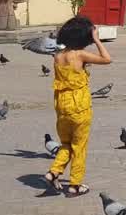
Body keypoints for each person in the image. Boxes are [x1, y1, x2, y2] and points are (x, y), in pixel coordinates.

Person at [45, 16, 111, 196]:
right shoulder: (80, 55)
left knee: (66, 143)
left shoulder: (58, 55)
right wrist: (97, 39)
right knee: (79, 146)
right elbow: (107, 59)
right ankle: (75, 184)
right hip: (79, 105)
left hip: (61, 105)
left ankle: (54, 172)